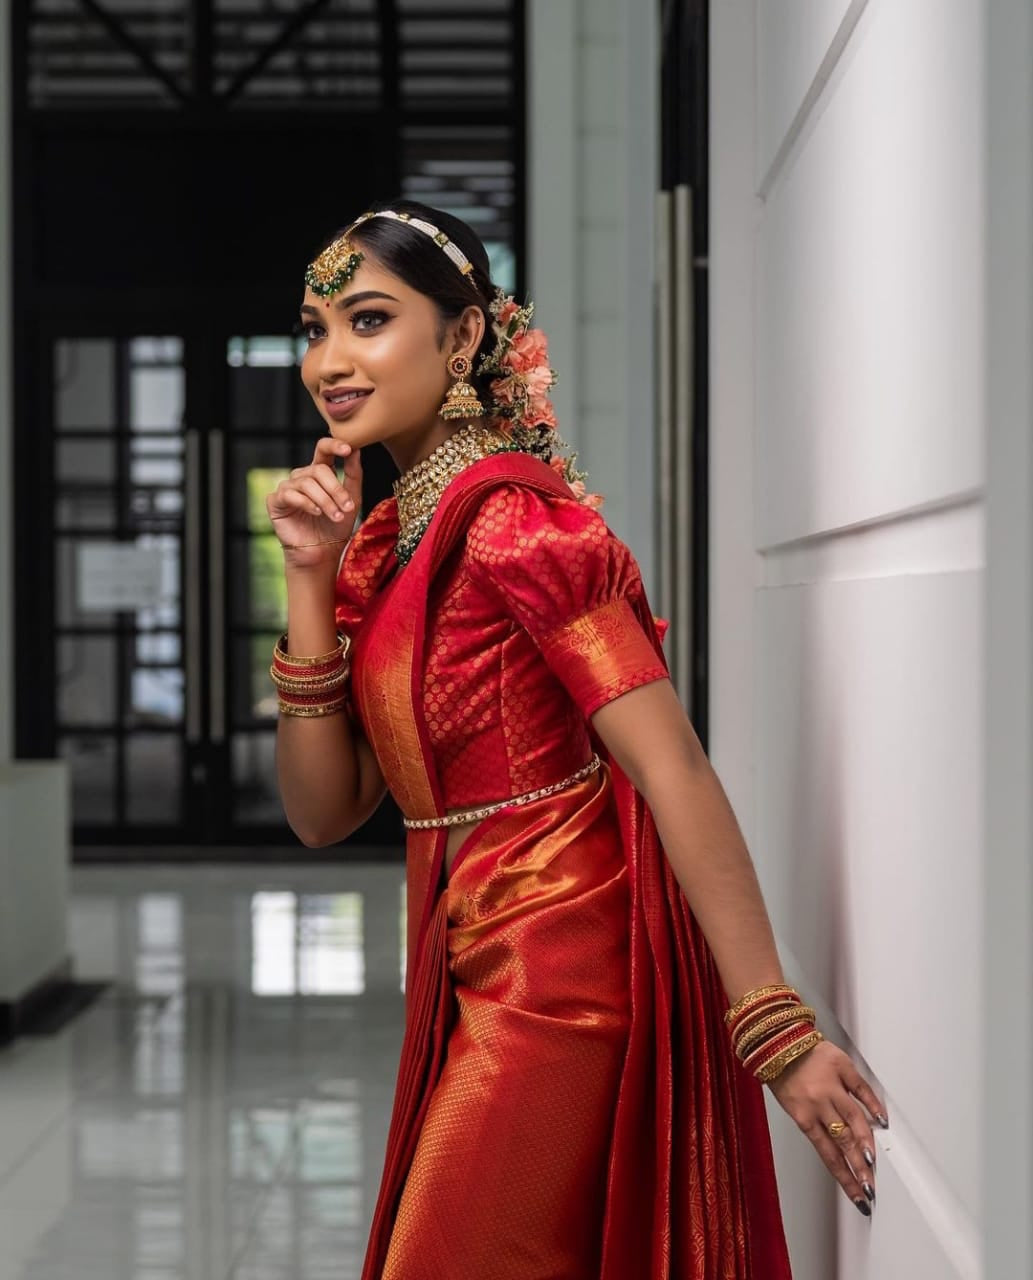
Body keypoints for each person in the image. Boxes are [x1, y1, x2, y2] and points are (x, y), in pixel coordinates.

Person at [266, 200, 889, 1279]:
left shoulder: (515, 524)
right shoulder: (390, 544)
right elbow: (323, 813)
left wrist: (773, 1024)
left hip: (558, 973)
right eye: (314, 329)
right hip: (467, 959)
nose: (331, 358)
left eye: (367, 320)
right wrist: (310, 576)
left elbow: (667, 763)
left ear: (461, 339)